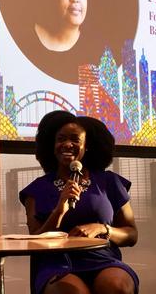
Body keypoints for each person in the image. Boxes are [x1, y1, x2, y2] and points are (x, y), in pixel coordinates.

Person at [19, 110, 139, 294]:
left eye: (75, 139)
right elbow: (35, 243)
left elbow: (131, 235)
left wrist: (102, 229)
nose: (67, 144)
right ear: (52, 145)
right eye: (61, 139)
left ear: (87, 146)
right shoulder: (37, 189)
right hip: (57, 264)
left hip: (103, 260)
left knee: (117, 287)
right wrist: (59, 210)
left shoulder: (109, 182)